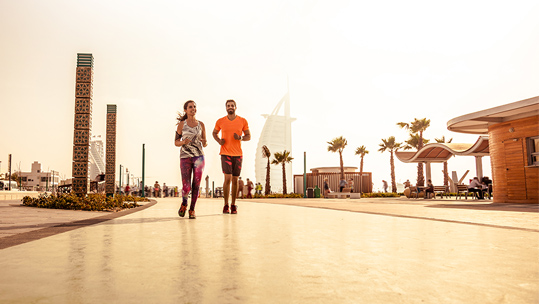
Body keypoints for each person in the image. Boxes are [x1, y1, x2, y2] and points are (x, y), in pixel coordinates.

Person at [212, 99, 250, 214]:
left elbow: (248, 136)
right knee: (227, 178)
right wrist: (219, 140)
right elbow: (214, 133)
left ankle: (233, 204)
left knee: (235, 180)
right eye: (228, 106)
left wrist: (240, 138)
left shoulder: (242, 121)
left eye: (232, 106)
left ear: (235, 107)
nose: (230, 107)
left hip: (238, 154)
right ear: (226, 108)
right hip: (225, 153)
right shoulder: (220, 121)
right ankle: (225, 205)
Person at [175, 100, 207, 219]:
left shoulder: (201, 124)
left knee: (196, 184)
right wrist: (183, 142)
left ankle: (192, 209)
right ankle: (184, 204)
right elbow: (176, 142)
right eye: (190, 107)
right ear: (185, 110)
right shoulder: (182, 125)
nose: (193, 109)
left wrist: (205, 142)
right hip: (185, 157)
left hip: (199, 157)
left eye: (194, 107)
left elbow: (205, 142)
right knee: (186, 186)